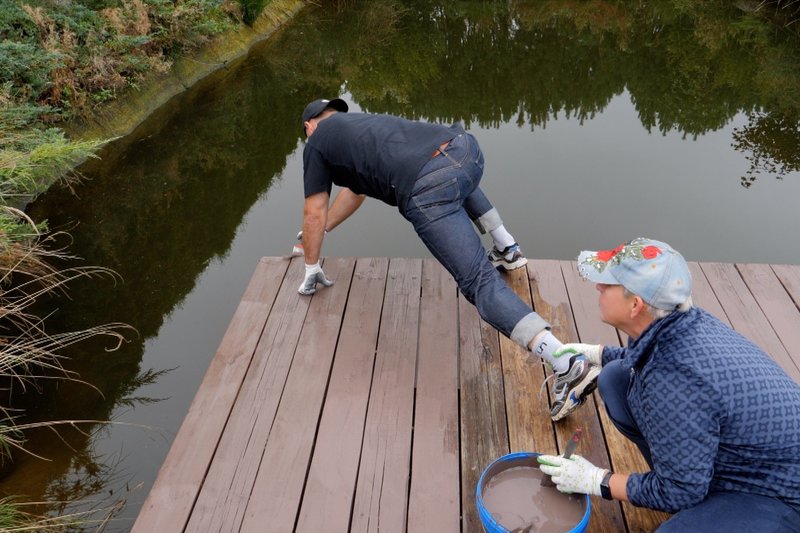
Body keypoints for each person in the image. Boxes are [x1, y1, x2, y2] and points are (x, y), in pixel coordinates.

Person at [296, 97, 600, 421]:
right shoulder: (360, 126)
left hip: (427, 188)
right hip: (465, 150)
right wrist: (324, 226)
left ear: (309, 127)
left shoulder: (316, 144)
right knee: (450, 171)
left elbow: (313, 211)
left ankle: (566, 363)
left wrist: (311, 265)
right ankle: (507, 247)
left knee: (480, 283)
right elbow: (354, 193)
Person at [537, 238, 800, 532]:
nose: (598, 287)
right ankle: (691, 484)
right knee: (615, 377)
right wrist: (596, 353)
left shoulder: (674, 382)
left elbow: (680, 489)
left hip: (782, 495)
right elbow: (648, 358)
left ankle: (700, 494)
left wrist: (597, 480)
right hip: (746, 458)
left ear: (635, 305)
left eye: (608, 283)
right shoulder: (684, 320)